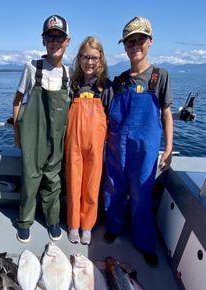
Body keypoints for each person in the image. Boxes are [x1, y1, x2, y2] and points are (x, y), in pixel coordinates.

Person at [103, 16, 173, 266]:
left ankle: (144, 242)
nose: (135, 46)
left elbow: (166, 113)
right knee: (114, 188)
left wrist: (169, 147)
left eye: (140, 40)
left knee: (142, 193)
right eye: (130, 42)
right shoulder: (118, 81)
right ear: (125, 46)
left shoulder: (160, 76)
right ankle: (114, 226)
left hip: (145, 148)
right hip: (116, 147)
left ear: (150, 42)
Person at [13, 15, 71, 243]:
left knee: (53, 180)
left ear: (67, 41)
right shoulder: (31, 68)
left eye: (59, 36)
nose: (54, 41)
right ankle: (24, 221)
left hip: (57, 138)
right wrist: (17, 132)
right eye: (50, 36)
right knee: (30, 178)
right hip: (32, 136)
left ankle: (53, 219)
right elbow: (17, 100)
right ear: (44, 40)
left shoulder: (68, 74)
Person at [65, 36, 112, 245]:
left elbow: (112, 117)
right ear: (79, 58)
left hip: (96, 146)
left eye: (94, 58)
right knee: (74, 184)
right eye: (85, 57)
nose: (89, 62)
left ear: (100, 60)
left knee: (92, 186)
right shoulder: (72, 84)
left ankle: (87, 226)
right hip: (73, 144)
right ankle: (73, 224)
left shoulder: (106, 87)